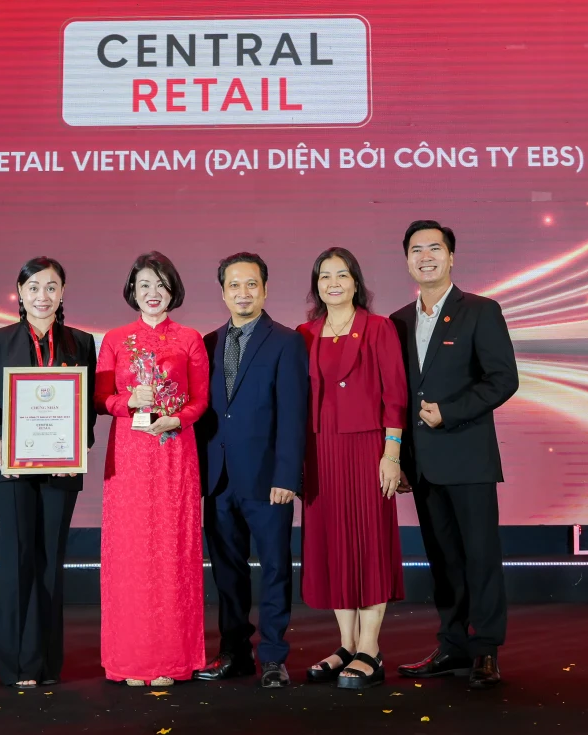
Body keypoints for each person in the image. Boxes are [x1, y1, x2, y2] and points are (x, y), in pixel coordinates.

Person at [389, 220, 519, 690]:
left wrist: (450, 412)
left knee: (480, 557)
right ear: (407, 260)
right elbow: (397, 396)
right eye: (416, 250)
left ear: (451, 257)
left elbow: (503, 379)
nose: (425, 257)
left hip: (467, 457)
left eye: (434, 249)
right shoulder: (398, 321)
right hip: (423, 465)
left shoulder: (481, 310)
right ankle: (452, 644)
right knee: (443, 560)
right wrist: (400, 460)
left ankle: (485, 650)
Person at [0, 256, 97, 687]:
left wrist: (77, 445)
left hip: (61, 469)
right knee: (17, 559)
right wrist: (0, 440)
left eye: (51, 287)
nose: (42, 296)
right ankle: (15, 665)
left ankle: (45, 663)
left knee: (50, 562)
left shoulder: (81, 342)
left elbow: (87, 405)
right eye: (33, 288)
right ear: (20, 293)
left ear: (62, 293)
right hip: (11, 467)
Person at [95, 252, 210, 686]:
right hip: (129, 456)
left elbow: (200, 399)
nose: (153, 292)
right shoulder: (115, 339)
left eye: (161, 284)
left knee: (174, 551)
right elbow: (101, 398)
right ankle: (132, 659)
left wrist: (177, 419)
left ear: (173, 289)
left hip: (174, 452)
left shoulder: (190, 338)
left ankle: (172, 659)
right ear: (132, 291)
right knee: (130, 553)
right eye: (144, 284)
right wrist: (128, 402)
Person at [195, 252, 309, 689]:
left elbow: (293, 414)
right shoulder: (207, 343)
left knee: (276, 568)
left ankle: (274, 656)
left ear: (264, 289)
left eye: (251, 284)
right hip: (218, 479)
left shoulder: (286, 341)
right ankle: (235, 652)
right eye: (234, 285)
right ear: (223, 292)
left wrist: (287, 476)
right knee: (227, 571)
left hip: (267, 479)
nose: (242, 293)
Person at [295, 247, 407, 689]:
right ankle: (346, 645)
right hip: (320, 450)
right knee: (334, 545)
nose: (333, 283)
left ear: (356, 282)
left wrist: (391, 454)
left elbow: (395, 394)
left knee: (369, 543)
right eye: (325, 276)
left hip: (367, 448)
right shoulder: (305, 333)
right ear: (316, 285)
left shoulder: (378, 328)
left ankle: (370, 649)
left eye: (342, 275)